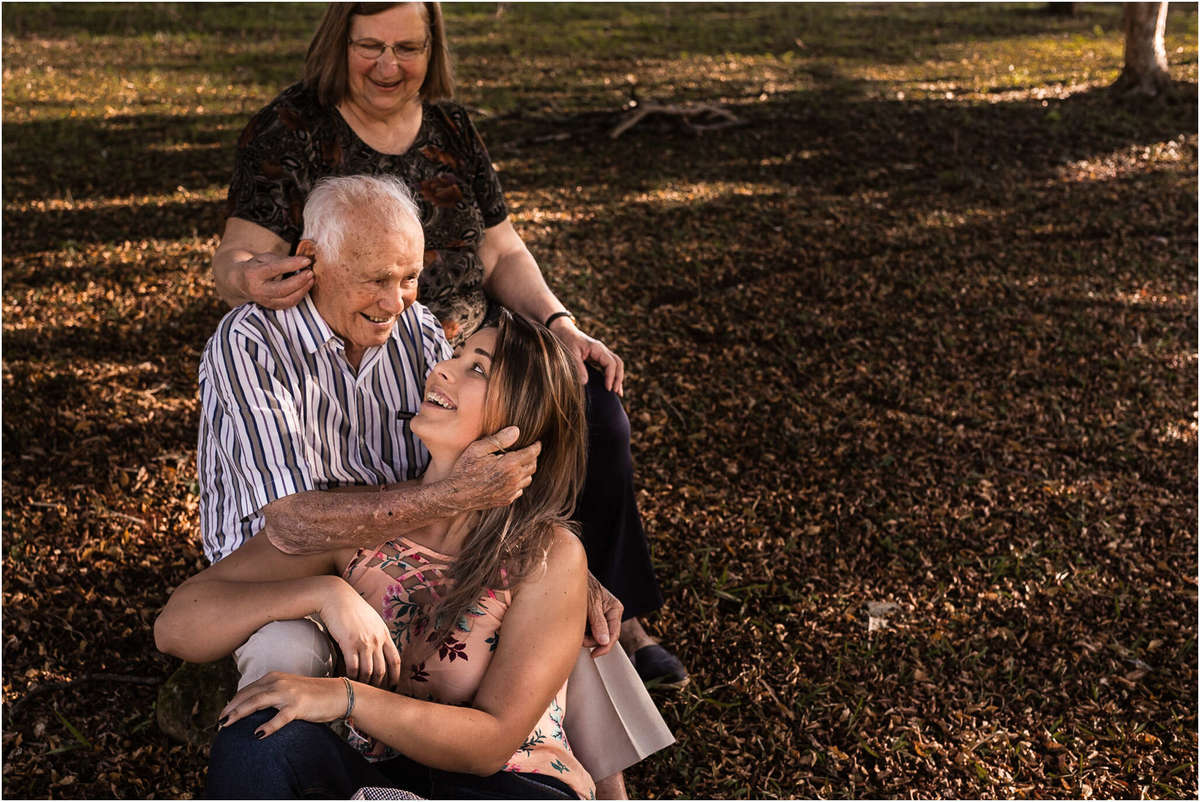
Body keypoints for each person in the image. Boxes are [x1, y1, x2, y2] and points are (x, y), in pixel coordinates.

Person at [209, 1, 686, 690]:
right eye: (370, 45)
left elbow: (502, 249)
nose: (389, 65)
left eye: (409, 47)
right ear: (337, 43)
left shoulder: (452, 128)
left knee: (593, 410)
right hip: (369, 342)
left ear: (433, 48)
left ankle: (612, 613)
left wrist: (558, 325)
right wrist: (249, 275)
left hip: (456, 348)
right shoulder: (291, 130)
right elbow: (239, 255)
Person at [190, 174, 671, 795]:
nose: (398, 302)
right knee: (275, 701)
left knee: (550, 603)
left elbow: (484, 428)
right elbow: (290, 524)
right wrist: (330, 591)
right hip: (292, 560)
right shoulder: (252, 343)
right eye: (376, 280)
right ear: (311, 259)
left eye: (409, 278)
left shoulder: (415, 329)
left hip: (404, 539)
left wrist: (567, 576)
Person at [158, 310, 599, 799]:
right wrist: (322, 592)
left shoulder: (545, 554)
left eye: (478, 368)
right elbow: (176, 626)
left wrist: (345, 697)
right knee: (257, 738)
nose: (442, 369)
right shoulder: (364, 520)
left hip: (507, 787)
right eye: (454, 355)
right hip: (384, 782)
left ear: (524, 416)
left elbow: (490, 745)